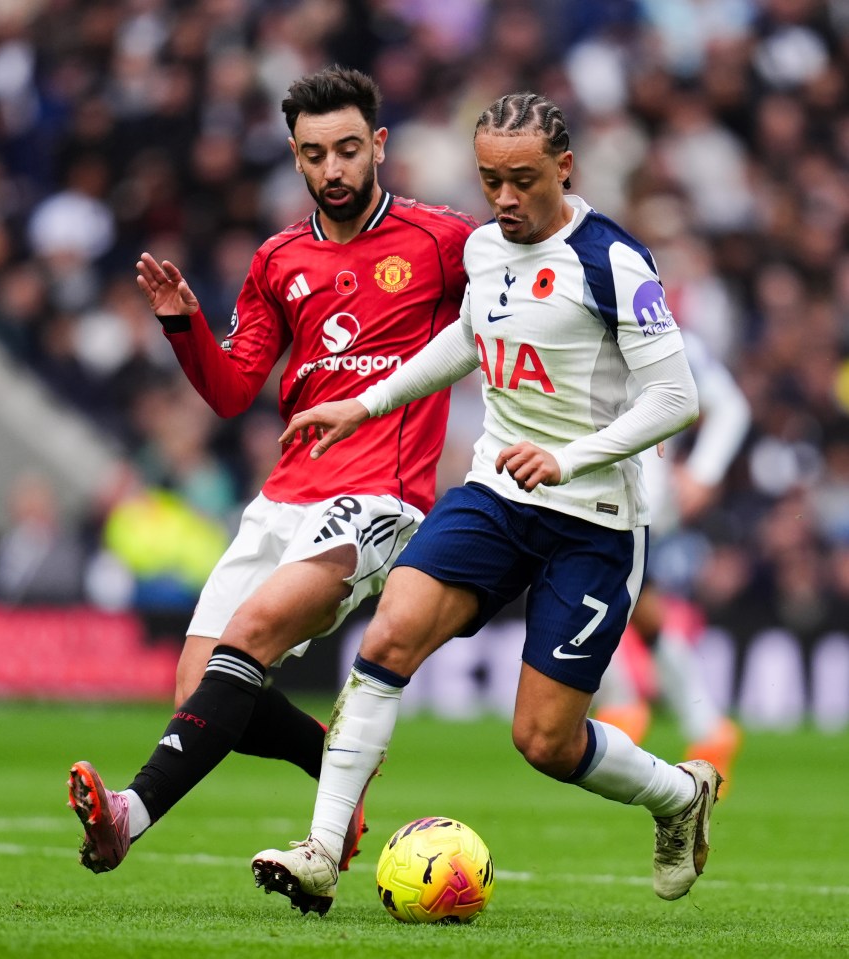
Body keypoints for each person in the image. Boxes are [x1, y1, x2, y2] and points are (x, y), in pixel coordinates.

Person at [251, 91, 723, 917]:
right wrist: (364, 404)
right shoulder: (483, 251)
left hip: (596, 518)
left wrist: (570, 455)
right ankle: (323, 849)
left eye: (523, 180)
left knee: (544, 740)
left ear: (564, 168)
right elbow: (468, 339)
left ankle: (679, 795)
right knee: (391, 631)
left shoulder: (613, 261)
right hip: (497, 494)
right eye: (490, 180)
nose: (504, 199)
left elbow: (676, 398)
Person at [66, 65, 476, 876]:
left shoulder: (443, 241)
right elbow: (230, 393)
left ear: (379, 146)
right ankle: (336, 763)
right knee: (200, 686)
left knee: (247, 640)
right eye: (316, 153)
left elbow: (521, 287)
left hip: (378, 495)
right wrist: (185, 326)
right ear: (295, 158)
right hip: (286, 492)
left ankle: (128, 814)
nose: (335, 169)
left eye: (350, 149)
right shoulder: (277, 259)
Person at [595, 328, 750, 780]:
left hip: (635, 488)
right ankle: (707, 728)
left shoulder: (662, 331)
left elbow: (730, 406)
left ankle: (622, 705)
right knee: (638, 603)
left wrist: (703, 472)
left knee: (579, 584)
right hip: (596, 484)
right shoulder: (571, 308)